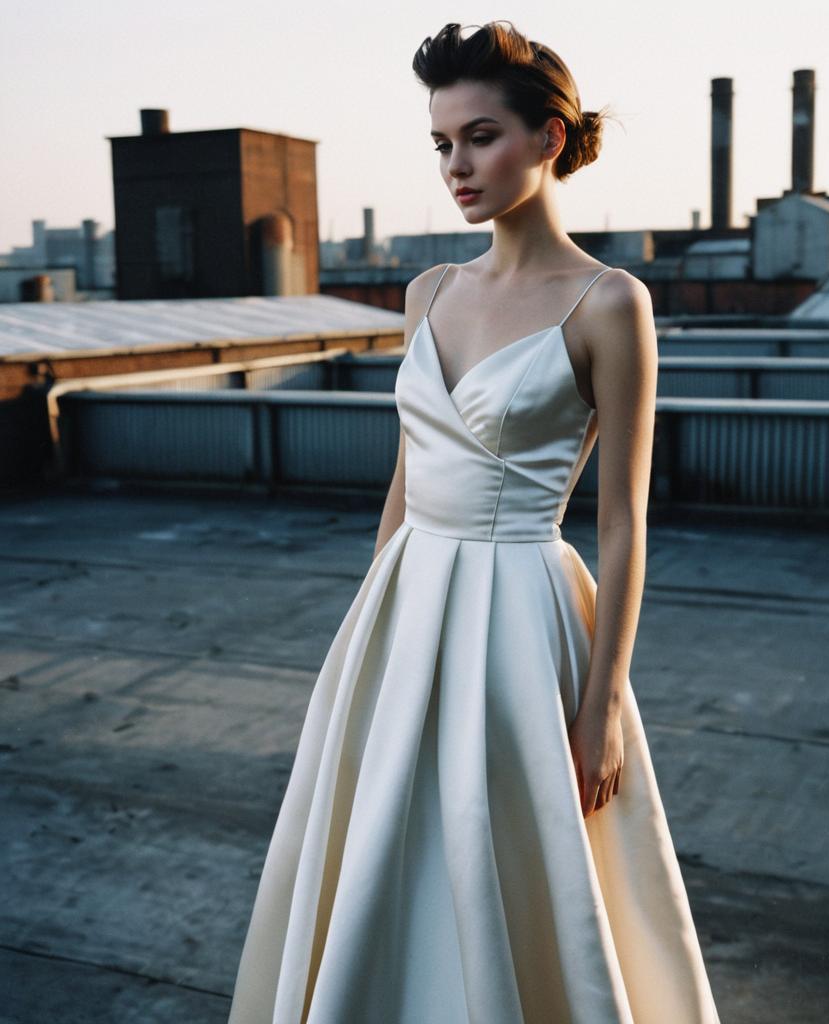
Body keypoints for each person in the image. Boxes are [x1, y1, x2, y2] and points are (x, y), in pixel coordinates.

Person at [227, 19, 721, 1024]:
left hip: (516, 616)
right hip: (405, 605)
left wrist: (601, 703)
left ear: (548, 139)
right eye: (442, 143)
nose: (457, 165)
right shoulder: (428, 292)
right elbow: (408, 475)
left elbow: (622, 522)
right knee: (383, 853)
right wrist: (368, 630)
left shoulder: (607, 302)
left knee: (499, 850)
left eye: (481, 136)